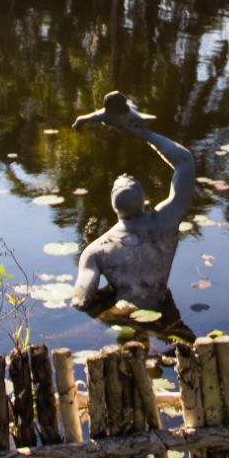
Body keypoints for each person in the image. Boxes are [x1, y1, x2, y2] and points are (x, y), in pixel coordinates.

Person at [70, 92, 195, 310]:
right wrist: (145, 135)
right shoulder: (164, 221)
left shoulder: (96, 250)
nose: (125, 178)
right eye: (122, 182)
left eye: (130, 180)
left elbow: (82, 301)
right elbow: (81, 299)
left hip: (124, 315)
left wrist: (144, 134)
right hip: (154, 310)